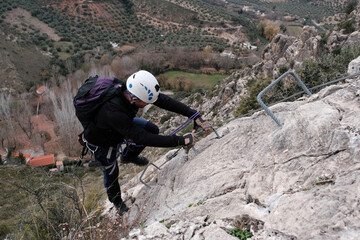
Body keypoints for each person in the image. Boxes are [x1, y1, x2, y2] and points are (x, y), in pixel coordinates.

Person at [83, 70, 212, 215]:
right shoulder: (113, 111)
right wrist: (181, 140)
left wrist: (194, 115)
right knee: (111, 171)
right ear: (134, 98)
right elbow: (142, 137)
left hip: (121, 123)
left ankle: (128, 156)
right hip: (102, 139)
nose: (149, 104)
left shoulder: (129, 90)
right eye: (146, 102)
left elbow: (163, 100)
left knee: (152, 129)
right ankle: (117, 202)